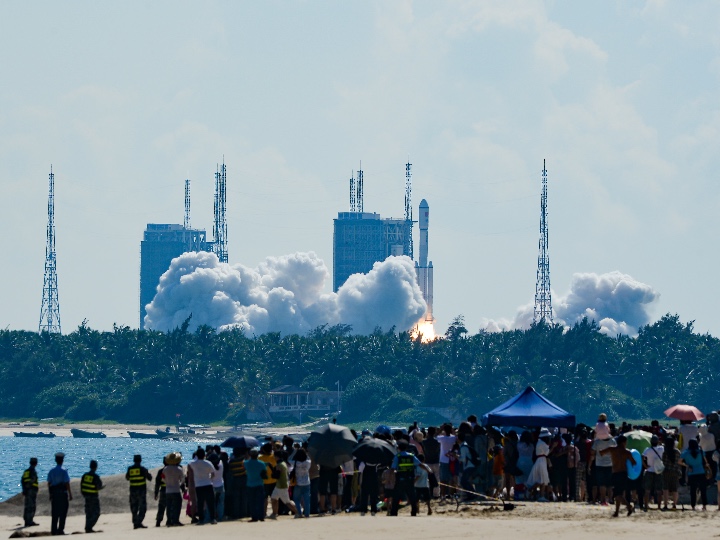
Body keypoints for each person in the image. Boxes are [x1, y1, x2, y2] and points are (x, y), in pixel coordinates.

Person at [599, 435, 636, 517]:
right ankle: (616, 512)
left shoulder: (612, 449)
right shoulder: (627, 452)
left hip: (615, 474)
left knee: (616, 494)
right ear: (623, 442)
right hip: (623, 474)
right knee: (619, 493)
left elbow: (601, 452)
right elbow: (634, 463)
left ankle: (629, 506)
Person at [390, 440, 422, 516]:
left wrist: (391, 477)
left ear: (398, 448)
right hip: (410, 478)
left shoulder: (397, 456)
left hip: (400, 479)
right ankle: (414, 512)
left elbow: (393, 468)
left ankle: (394, 512)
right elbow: (420, 464)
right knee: (412, 497)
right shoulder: (411, 455)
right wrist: (428, 470)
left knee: (396, 497)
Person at [189, 448, 217, 524]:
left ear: (197, 455)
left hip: (198, 485)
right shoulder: (208, 463)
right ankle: (213, 519)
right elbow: (213, 473)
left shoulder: (193, 464)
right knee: (210, 503)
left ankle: (201, 520)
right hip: (208, 484)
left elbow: (190, 463)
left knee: (200, 503)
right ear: (204, 455)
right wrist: (210, 478)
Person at [680, 439, 709, 511]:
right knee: (703, 490)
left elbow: (679, 461)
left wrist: (687, 465)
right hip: (701, 472)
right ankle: (704, 506)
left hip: (692, 473)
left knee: (693, 490)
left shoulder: (686, 452)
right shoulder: (701, 451)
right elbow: (706, 461)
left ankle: (693, 506)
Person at [47, 452, 72, 536]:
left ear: (55, 460)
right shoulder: (64, 471)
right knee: (63, 513)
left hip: (54, 493)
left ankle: (53, 530)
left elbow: (49, 483)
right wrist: (70, 494)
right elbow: (67, 483)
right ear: (62, 460)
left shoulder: (51, 471)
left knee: (54, 513)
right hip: (63, 494)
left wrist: (50, 494)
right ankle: (60, 529)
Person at [125, 454, 152, 529]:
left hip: (133, 491)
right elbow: (150, 478)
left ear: (134, 460)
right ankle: (138, 522)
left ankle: (135, 523)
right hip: (141, 492)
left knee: (134, 508)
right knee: (142, 508)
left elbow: (127, 478)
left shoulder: (130, 469)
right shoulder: (143, 469)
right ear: (140, 460)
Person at [269, 450, 297, 519]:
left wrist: (271, 468)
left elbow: (276, 476)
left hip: (282, 485)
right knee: (273, 498)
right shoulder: (283, 463)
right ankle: (274, 513)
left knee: (287, 502)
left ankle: (297, 512)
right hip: (280, 484)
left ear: (276, 457)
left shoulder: (279, 465)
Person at [590, 432, 616, 505]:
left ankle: (603, 500)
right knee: (610, 484)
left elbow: (592, 452)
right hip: (610, 464)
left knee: (602, 484)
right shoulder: (613, 441)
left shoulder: (597, 441)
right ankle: (611, 499)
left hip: (599, 464)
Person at [527, 429, 552, 501]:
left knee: (543, 479)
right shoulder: (542, 443)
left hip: (541, 460)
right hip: (541, 460)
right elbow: (547, 453)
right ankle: (533, 492)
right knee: (542, 479)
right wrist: (552, 447)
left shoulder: (540, 442)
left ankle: (540, 495)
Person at [244, 449, 268, 522]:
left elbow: (244, 465)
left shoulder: (246, 463)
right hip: (259, 484)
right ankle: (261, 516)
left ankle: (254, 517)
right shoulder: (261, 464)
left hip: (250, 484)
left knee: (252, 501)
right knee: (260, 501)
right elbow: (264, 471)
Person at [163, 452, 185, 527]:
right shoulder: (179, 469)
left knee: (169, 507)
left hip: (168, 490)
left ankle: (169, 520)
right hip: (176, 489)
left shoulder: (165, 469)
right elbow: (182, 479)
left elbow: (163, 478)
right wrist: (179, 484)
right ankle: (176, 520)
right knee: (177, 506)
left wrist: (167, 482)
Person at [80, 460, 103, 533]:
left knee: (88, 513)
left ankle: (87, 527)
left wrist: (84, 494)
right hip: (93, 497)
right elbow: (98, 486)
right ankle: (89, 527)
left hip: (86, 497)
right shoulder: (95, 477)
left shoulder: (85, 476)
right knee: (96, 512)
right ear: (96, 467)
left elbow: (82, 486)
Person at [642, 435, 664, 511]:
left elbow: (642, 457)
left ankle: (646, 505)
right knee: (659, 490)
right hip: (658, 470)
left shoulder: (647, 450)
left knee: (647, 490)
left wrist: (645, 466)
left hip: (650, 470)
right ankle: (659, 506)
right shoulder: (661, 448)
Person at [226, 448, 248, 519]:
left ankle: (236, 513)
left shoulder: (231, 461)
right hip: (243, 478)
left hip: (235, 479)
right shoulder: (243, 460)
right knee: (244, 497)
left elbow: (230, 471)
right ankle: (244, 513)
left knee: (236, 498)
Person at [661, 435, 681, 511]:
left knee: (665, 489)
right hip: (675, 471)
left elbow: (663, 462)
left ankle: (665, 505)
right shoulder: (677, 452)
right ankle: (674, 505)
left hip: (666, 471)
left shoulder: (665, 452)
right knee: (675, 489)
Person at [291, 449, 311, 518]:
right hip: (306, 482)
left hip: (298, 482)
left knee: (296, 499)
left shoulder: (295, 462)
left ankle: (299, 513)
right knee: (307, 500)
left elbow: (289, 460)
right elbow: (308, 459)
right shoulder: (308, 462)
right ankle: (307, 514)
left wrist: (294, 453)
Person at [21, 457, 39, 527]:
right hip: (31, 490)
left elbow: (22, 480)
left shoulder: (26, 471)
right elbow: (32, 480)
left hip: (27, 490)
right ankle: (30, 521)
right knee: (31, 506)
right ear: (36, 463)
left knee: (27, 506)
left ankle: (26, 521)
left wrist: (24, 489)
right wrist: (28, 488)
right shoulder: (33, 471)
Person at [154, 458, 167, 527]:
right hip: (171, 490)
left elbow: (157, 484)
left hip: (163, 491)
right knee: (171, 506)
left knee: (161, 507)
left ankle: (158, 521)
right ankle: (170, 520)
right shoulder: (172, 470)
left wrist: (156, 493)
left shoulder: (161, 471)